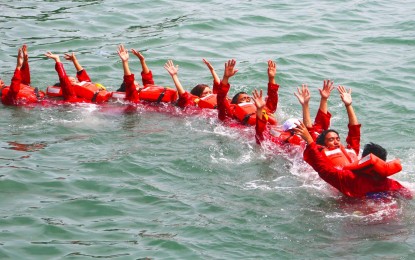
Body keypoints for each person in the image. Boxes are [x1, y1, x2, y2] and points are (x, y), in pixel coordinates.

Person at [294, 121, 412, 199]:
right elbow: (409, 195)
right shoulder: (391, 184)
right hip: (390, 220)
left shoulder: (349, 179)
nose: (336, 142)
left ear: (363, 161)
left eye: (337, 139)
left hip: (356, 218)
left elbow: (323, 169)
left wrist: (309, 141)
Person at [253, 81, 334, 147]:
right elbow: (260, 135)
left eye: (298, 127)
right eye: (294, 129)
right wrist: (259, 110)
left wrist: (323, 99)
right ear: (287, 131)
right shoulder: (282, 142)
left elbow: (320, 124)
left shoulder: (313, 135)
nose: (298, 131)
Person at [303, 85, 361, 167]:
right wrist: (305, 105)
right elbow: (309, 132)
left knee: (319, 128)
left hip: (350, 176)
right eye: (331, 140)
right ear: (324, 143)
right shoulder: (319, 153)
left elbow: (355, 132)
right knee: (318, 129)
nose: (336, 142)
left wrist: (348, 105)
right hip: (334, 177)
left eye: (337, 139)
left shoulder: (351, 151)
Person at [217, 59, 279, 125]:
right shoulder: (230, 112)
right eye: (243, 99)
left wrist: (271, 78)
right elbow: (221, 98)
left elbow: (272, 101)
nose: (247, 100)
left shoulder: (258, 107)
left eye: (248, 99)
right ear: (235, 103)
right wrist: (226, 77)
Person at [45, 51, 111, 103]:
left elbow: (82, 74)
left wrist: (74, 61)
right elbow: (63, 78)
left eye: (75, 79)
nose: (75, 80)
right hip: (92, 110)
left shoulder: (83, 88)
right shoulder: (70, 95)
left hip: (104, 101)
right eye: (72, 81)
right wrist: (57, 59)